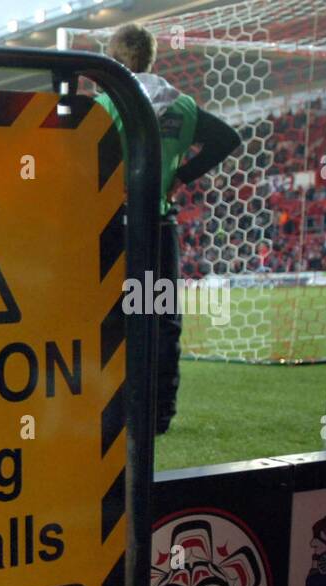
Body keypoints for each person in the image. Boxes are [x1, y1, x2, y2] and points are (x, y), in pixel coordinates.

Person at [96, 24, 241, 435]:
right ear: (150, 57)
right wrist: (183, 176)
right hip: (158, 229)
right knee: (160, 320)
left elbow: (81, 160)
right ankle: (160, 414)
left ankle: (113, 412)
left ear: (115, 59)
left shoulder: (109, 105)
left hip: (116, 231)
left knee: (114, 321)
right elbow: (228, 138)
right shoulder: (182, 108)